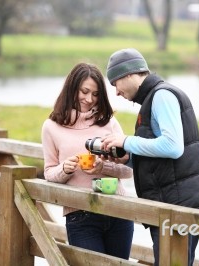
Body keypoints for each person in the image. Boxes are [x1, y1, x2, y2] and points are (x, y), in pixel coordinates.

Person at [101, 48, 199, 266]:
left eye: (115, 83)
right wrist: (129, 159)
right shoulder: (155, 97)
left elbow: (173, 147)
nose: (115, 92)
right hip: (174, 204)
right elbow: (163, 157)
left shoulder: (161, 96)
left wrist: (126, 141)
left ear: (129, 75)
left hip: (176, 207)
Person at [41, 62, 134, 259]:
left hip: (118, 211)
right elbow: (49, 172)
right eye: (84, 91)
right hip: (80, 215)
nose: (89, 99)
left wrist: (104, 166)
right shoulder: (51, 127)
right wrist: (64, 169)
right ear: (72, 88)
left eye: (96, 94)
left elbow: (129, 170)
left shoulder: (108, 122)